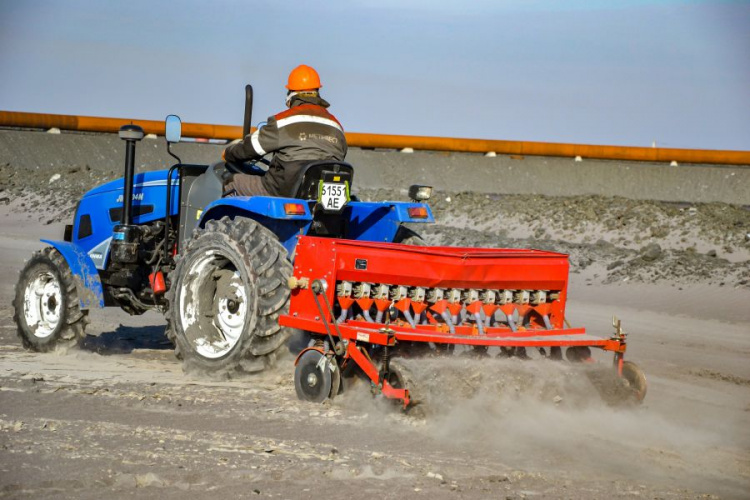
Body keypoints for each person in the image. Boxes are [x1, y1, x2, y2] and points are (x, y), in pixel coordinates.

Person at [222, 64, 347, 198]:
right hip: (321, 194)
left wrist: (228, 153)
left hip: (283, 190)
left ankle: (222, 219)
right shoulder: (336, 126)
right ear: (317, 93)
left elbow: (251, 147)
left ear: (291, 94)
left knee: (230, 182)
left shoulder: (283, 121)